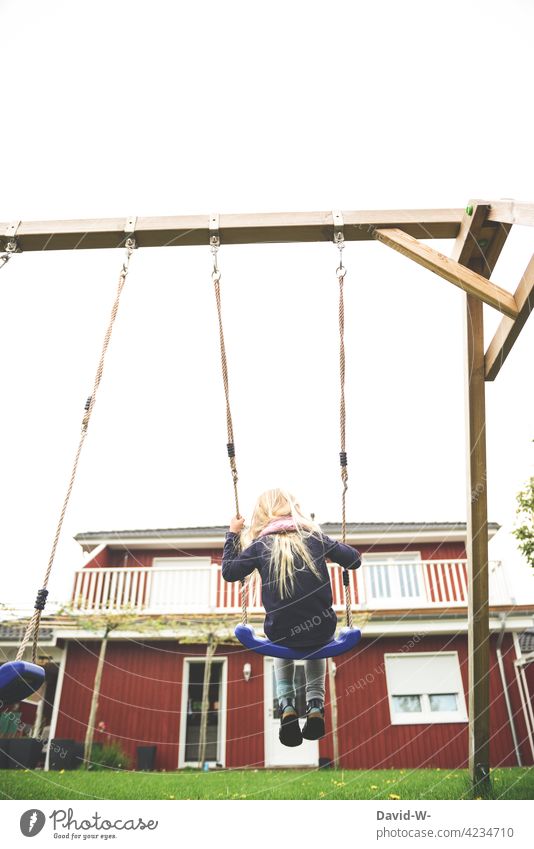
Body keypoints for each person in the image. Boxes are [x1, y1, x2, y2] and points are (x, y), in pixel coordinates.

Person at [222, 487, 361, 747]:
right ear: (295, 510)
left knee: (281, 644)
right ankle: (316, 706)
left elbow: (229, 571)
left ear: (263, 515)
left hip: (281, 632)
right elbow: (353, 560)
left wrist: (232, 534)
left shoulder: (260, 545)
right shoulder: (315, 538)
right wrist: (333, 546)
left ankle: (286, 705)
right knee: (319, 642)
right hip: (321, 629)